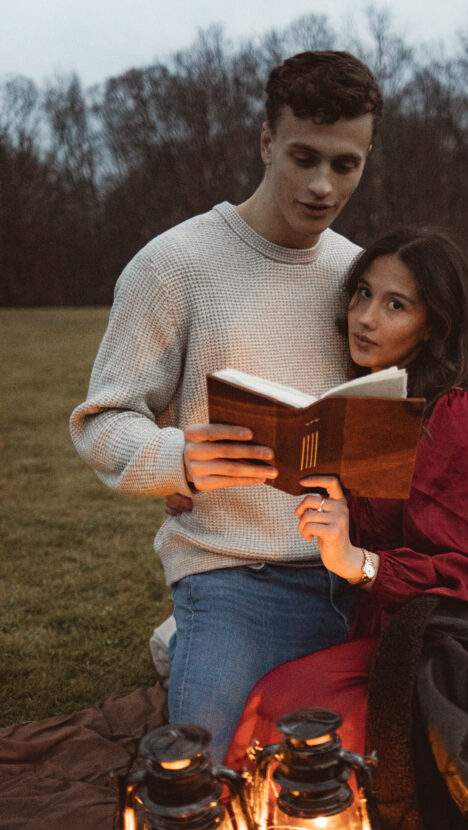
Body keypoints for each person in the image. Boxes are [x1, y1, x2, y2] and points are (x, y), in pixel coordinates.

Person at [69, 50, 383, 760]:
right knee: (206, 774)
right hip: (236, 571)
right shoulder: (173, 265)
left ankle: (189, 642)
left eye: (345, 164)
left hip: (361, 570)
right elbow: (102, 421)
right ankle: (197, 635)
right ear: (266, 141)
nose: (321, 185)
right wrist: (178, 459)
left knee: (381, 777)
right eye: (302, 156)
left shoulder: (360, 276)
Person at [223, 227, 468, 766]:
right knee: (270, 709)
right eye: (363, 293)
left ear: (432, 326)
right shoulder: (372, 403)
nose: (365, 317)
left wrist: (359, 564)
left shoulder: (453, 415)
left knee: (284, 710)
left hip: (450, 642)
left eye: (395, 305)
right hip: (381, 625)